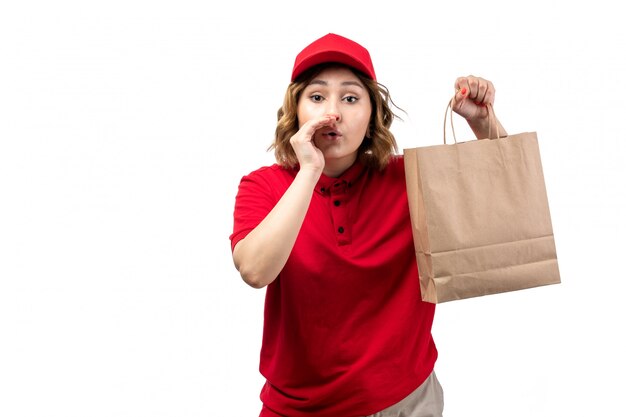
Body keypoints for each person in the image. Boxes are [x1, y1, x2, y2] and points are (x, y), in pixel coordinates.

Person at [229, 33, 507, 417]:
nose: (334, 113)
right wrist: (310, 170)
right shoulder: (262, 185)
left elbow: (504, 196)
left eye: (350, 97)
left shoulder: (408, 177)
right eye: (317, 97)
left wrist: (482, 122)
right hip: (299, 408)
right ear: (295, 111)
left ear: (373, 113)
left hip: (408, 400)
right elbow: (255, 271)